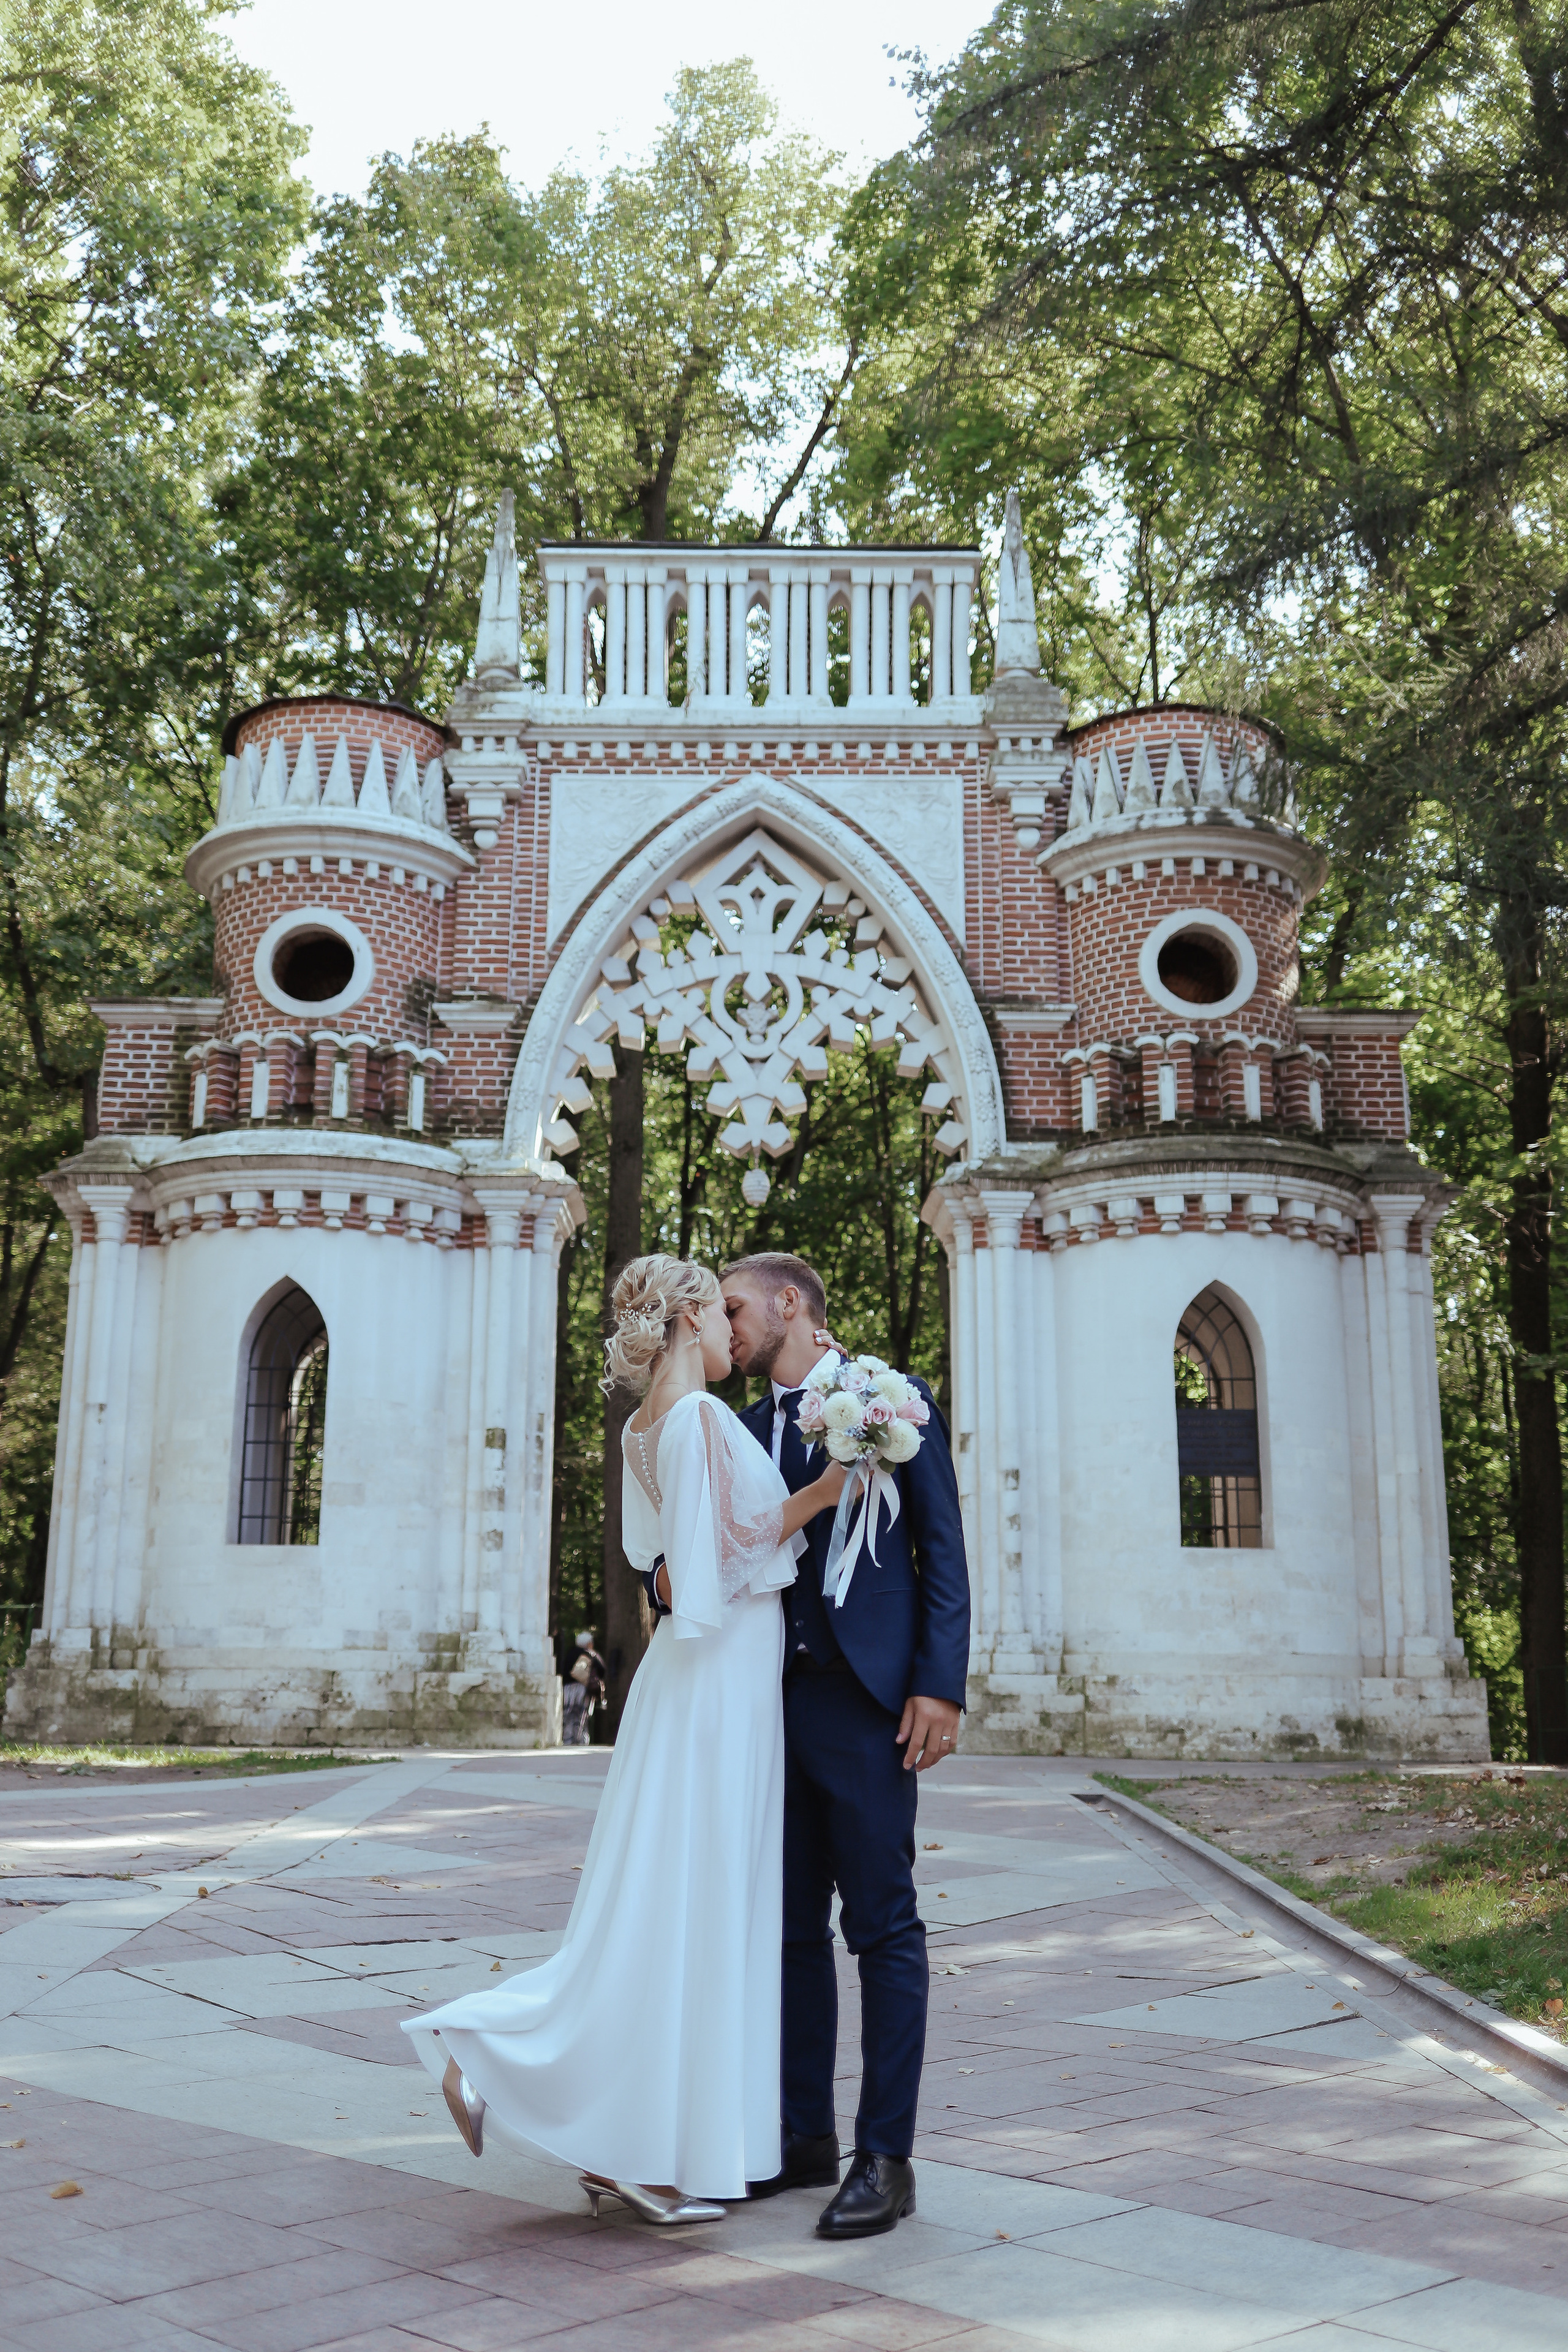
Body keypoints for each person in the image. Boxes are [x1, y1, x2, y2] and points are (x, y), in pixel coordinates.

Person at [402, 1254, 847, 2225]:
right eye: (721, 1313)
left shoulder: (643, 1429)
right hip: (719, 1682)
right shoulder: (699, 1419)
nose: (733, 1333)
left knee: (659, 1909)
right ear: (688, 1318)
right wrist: (824, 1493)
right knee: (691, 1913)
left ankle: (609, 2136)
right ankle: (532, 2077)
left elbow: (671, 1565)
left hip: (687, 1683)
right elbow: (708, 1566)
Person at [641, 1253, 970, 2239]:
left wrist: (938, 1684)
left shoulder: (891, 1400)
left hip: (867, 1705)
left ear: (791, 1303)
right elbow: (694, 1549)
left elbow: (942, 1549)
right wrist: (659, 1583)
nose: (726, 1322)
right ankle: (802, 2136)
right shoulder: (736, 1429)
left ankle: (886, 2158)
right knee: (785, 1932)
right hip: (765, 1709)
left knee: (882, 1926)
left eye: (737, 1305)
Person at [561, 1629, 604, 1746]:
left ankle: (567, 1739)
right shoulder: (589, 1654)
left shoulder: (570, 1653)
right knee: (582, 1714)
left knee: (568, 1713)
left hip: (568, 1689)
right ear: (589, 1643)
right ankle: (580, 1740)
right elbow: (602, 1670)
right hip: (582, 1688)